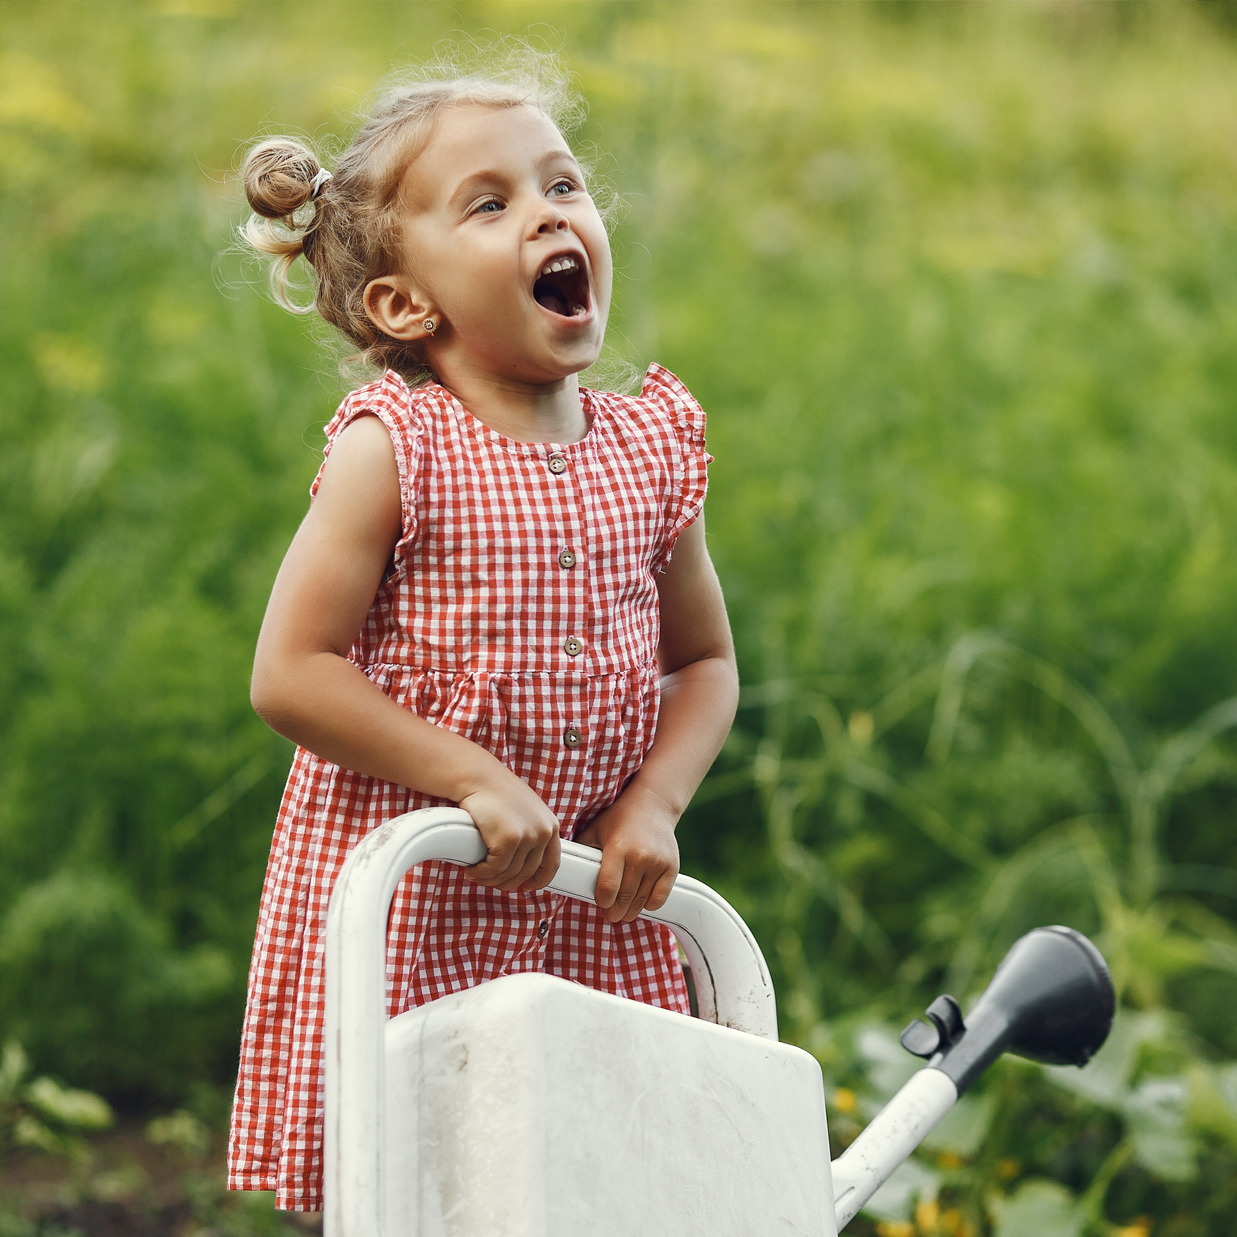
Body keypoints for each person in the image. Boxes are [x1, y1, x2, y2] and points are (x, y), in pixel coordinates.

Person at [226, 55, 739, 1213]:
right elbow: (290, 673)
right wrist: (467, 777)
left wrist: (654, 800)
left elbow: (702, 662)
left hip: (583, 902)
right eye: (492, 202)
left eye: (563, 184)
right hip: (422, 898)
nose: (551, 211)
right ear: (408, 304)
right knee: (419, 1181)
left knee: (583, 1179)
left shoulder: (650, 448)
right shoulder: (396, 448)